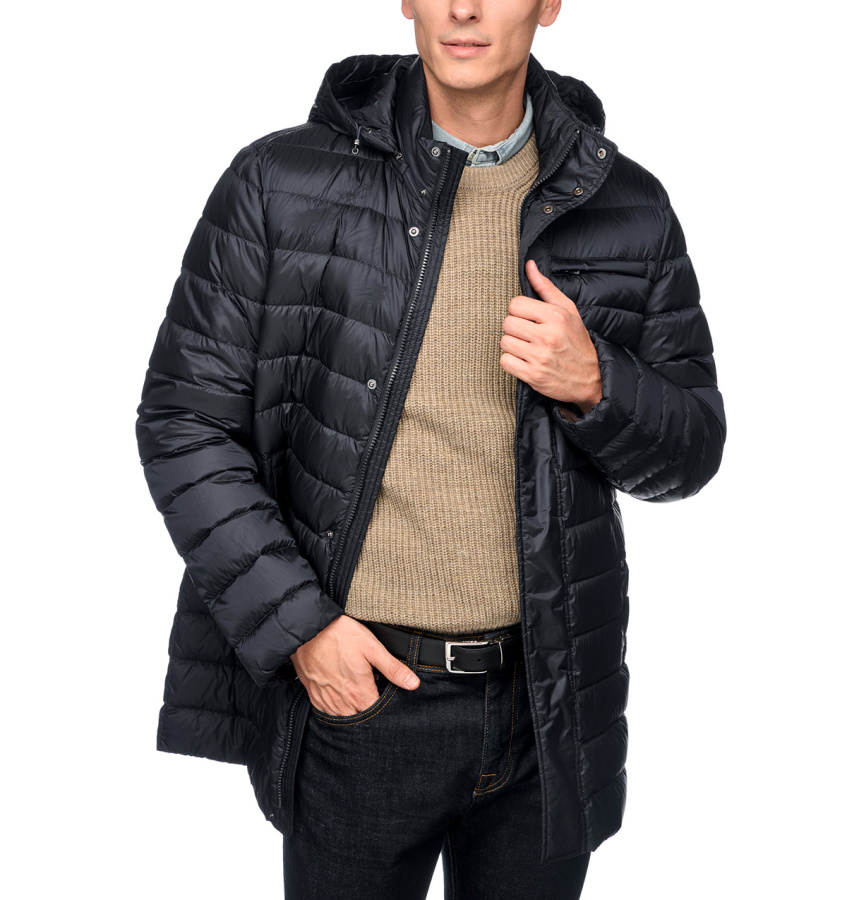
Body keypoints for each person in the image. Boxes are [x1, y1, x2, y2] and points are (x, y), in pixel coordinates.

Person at [135, 1, 726, 897]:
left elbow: (690, 452)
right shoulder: (280, 180)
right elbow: (184, 423)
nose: (463, 8)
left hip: (548, 704)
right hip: (362, 698)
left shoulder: (625, 207)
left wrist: (596, 382)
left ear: (549, 5)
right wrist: (303, 630)